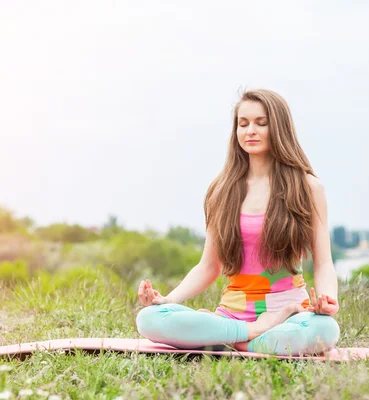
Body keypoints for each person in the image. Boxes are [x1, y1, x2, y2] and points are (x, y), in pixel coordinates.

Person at [135, 89, 340, 356]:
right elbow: (209, 266)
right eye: (243, 124)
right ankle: (250, 336)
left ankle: (229, 339)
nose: (250, 131)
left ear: (279, 127)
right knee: (149, 319)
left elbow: (323, 262)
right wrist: (168, 300)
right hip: (231, 317)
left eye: (260, 123)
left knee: (325, 329)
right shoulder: (222, 189)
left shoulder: (308, 187)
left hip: (291, 314)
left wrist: (327, 301)